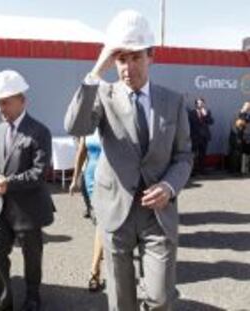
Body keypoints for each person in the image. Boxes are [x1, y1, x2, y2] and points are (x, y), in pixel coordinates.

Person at [64, 10, 192, 311]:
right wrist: (97, 69)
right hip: (115, 210)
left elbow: (184, 155)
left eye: (135, 57)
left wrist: (170, 187)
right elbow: (75, 126)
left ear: (151, 56)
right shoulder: (104, 94)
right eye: (121, 59)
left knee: (160, 298)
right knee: (121, 301)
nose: (128, 67)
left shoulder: (172, 102)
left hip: (157, 214)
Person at [0, 69, 55, 311]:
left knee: (31, 257)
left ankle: (33, 296)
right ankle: (3, 299)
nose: (0, 108)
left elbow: (39, 173)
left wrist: (8, 183)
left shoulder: (39, 131)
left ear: (22, 100)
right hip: (1, 207)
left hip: (29, 210)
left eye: (5, 102)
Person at [69, 131, 104, 292]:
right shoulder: (88, 124)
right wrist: (75, 178)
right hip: (91, 179)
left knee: (103, 224)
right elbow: (82, 151)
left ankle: (94, 271)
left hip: (112, 182)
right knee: (99, 223)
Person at [188, 97, 214, 174]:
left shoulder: (207, 112)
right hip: (195, 137)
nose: (201, 104)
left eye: (202, 103)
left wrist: (205, 115)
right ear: (196, 104)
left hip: (204, 137)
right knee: (193, 154)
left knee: (203, 154)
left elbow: (211, 122)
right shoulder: (191, 113)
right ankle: (192, 171)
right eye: (199, 103)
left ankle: (202, 170)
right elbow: (189, 124)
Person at [228, 101, 250, 173]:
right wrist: (237, 138)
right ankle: (233, 170)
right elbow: (235, 125)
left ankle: (239, 169)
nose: (247, 108)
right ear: (243, 106)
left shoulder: (247, 116)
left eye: (249, 108)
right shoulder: (237, 114)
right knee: (235, 154)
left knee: (240, 154)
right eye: (247, 107)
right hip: (235, 137)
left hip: (243, 137)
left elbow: (246, 126)